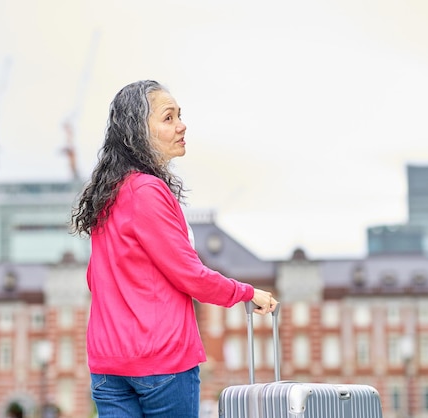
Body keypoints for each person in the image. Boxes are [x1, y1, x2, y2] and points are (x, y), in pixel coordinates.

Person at [71, 80, 278, 418]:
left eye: (179, 116)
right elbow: (190, 275)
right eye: (168, 118)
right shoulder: (147, 191)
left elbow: (96, 279)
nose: (182, 125)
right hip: (160, 360)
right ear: (138, 131)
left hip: (108, 362)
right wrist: (245, 293)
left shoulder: (108, 194)